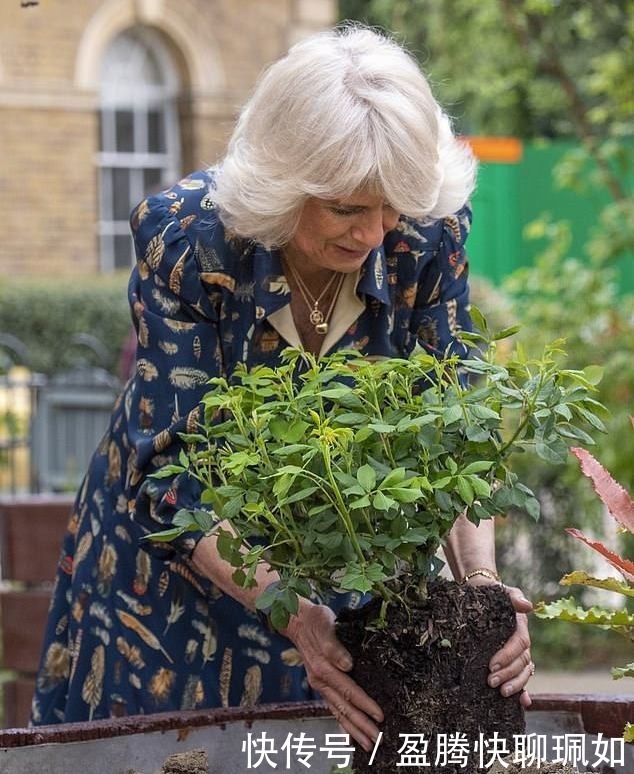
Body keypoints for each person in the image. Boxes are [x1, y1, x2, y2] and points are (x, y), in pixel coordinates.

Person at [32, 25, 534, 750]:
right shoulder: (189, 241)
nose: (374, 233)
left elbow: (455, 424)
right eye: (346, 208)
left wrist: (482, 588)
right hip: (176, 579)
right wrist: (294, 611)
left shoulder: (426, 230)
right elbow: (175, 475)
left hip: (345, 555)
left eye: (390, 205)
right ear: (284, 183)